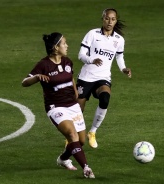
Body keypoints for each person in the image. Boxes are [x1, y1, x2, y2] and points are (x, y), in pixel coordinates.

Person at [21, 32, 95, 179]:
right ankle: (86, 168)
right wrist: (36, 77)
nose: (67, 46)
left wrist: (76, 96)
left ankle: (63, 159)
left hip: (72, 105)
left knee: (80, 141)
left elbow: (71, 79)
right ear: (56, 47)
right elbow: (24, 82)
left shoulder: (67, 62)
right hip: (56, 107)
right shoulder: (43, 65)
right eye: (64, 43)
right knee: (72, 135)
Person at [76, 8, 132, 148]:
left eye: (113, 19)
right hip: (86, 77)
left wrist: (123, 69)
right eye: (107, 18)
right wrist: (91, 60)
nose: (109, 22)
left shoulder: (119, 40)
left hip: (103, 77)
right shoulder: (92, 34)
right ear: (103, 18)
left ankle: (92, 132)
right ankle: (74, 136)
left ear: (116, 21)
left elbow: (119, 57)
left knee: (105, 98)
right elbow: (81, 55)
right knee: (78, 109)